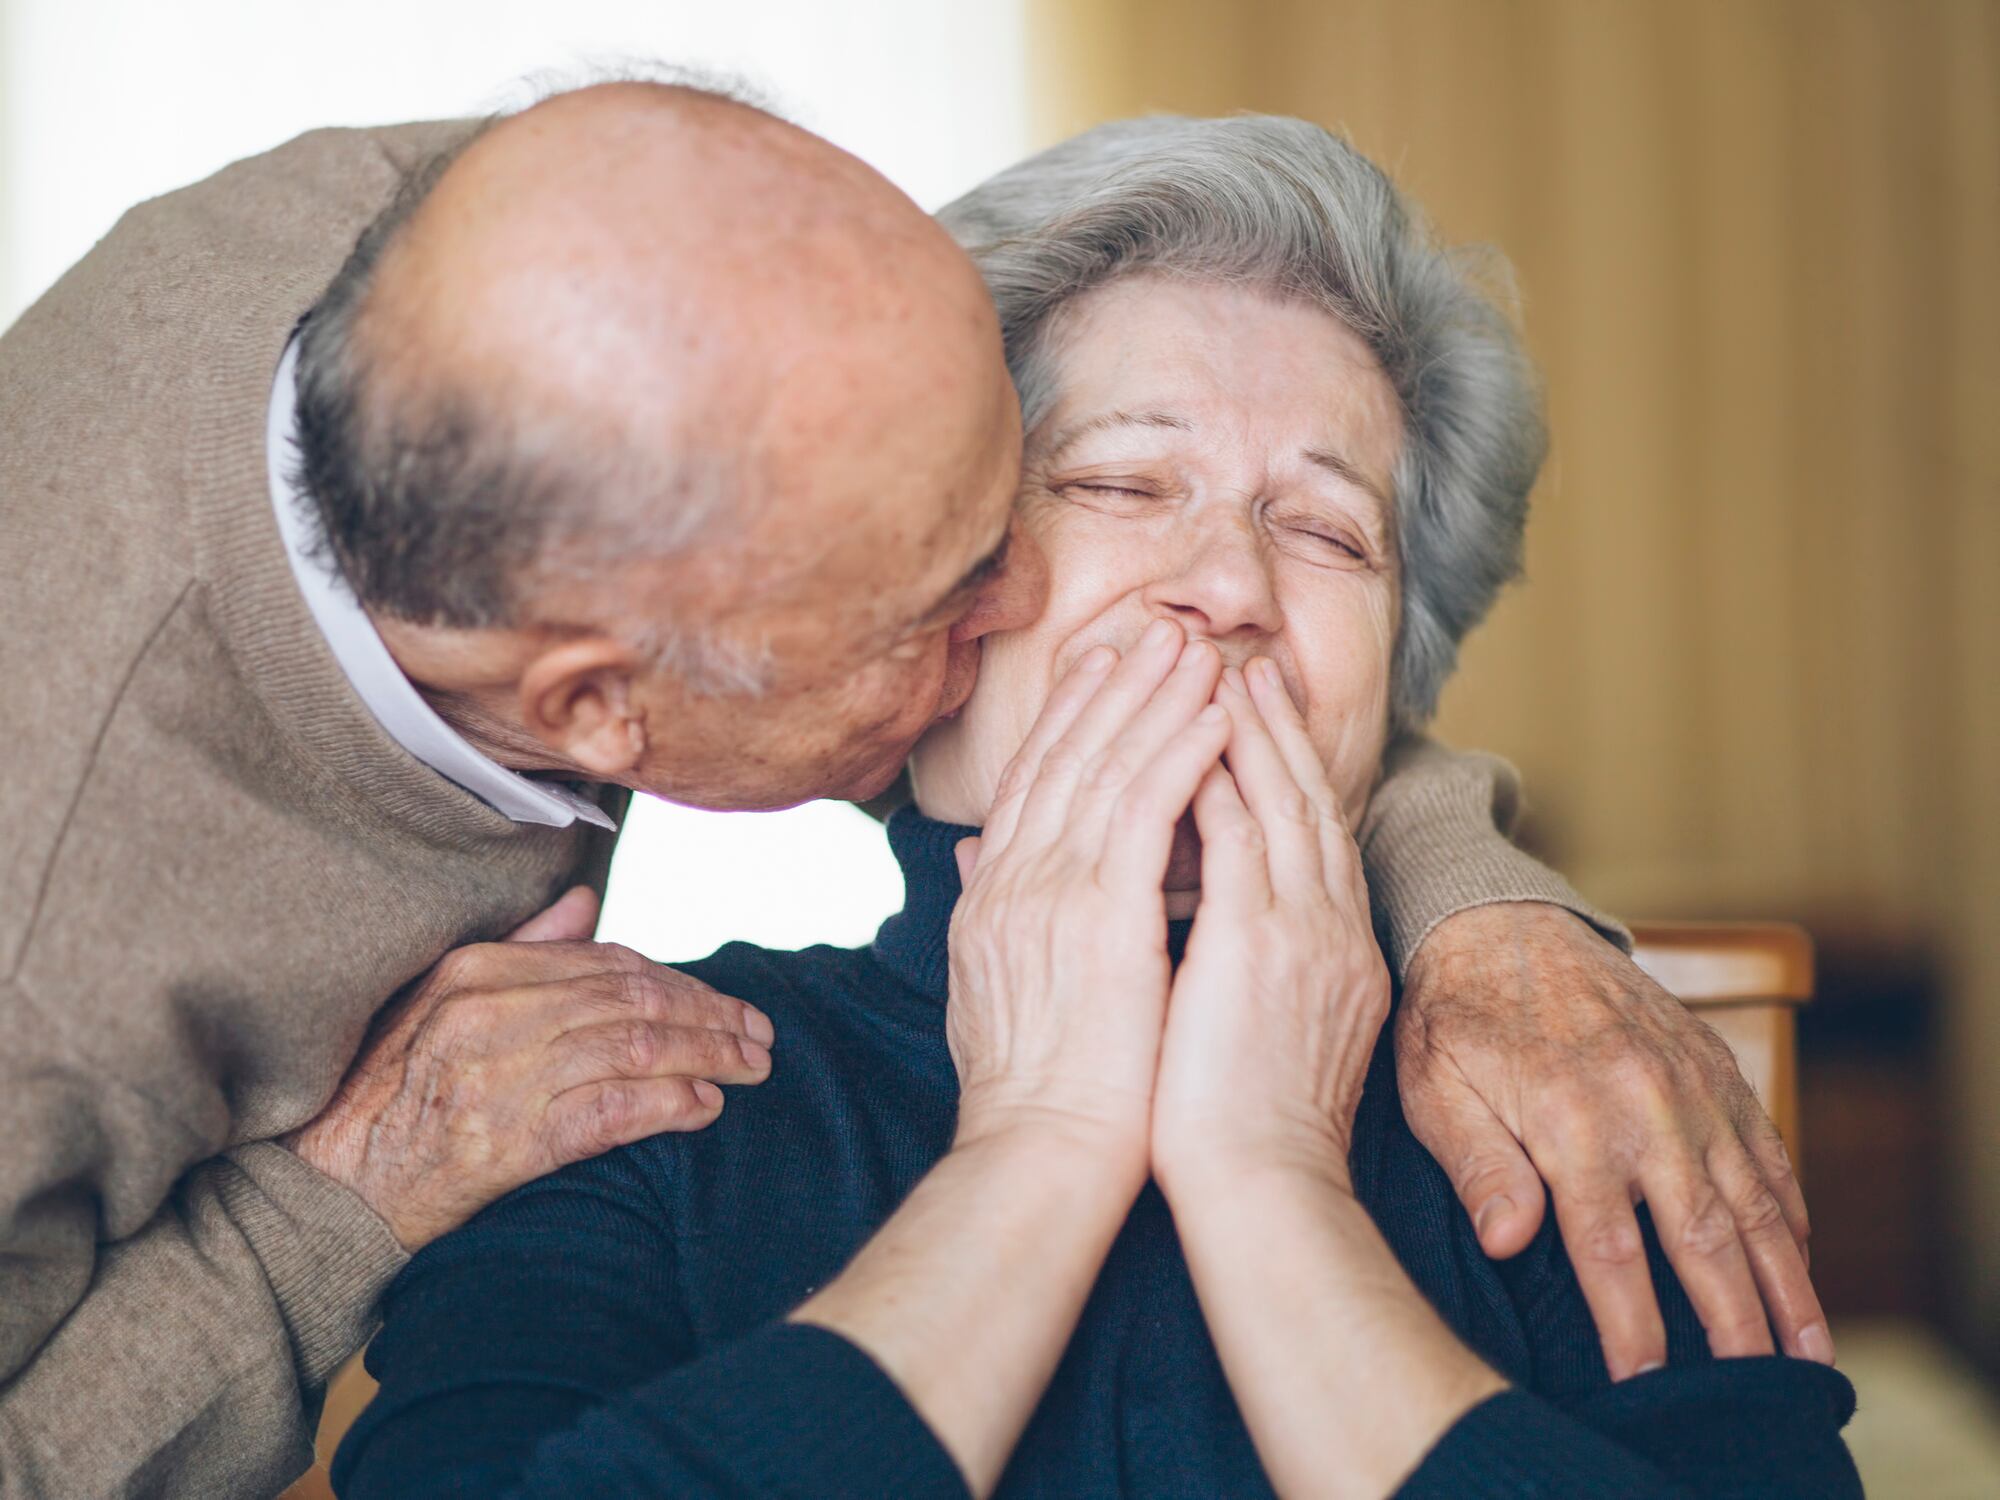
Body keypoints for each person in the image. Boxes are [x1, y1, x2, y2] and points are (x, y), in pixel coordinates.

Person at [0, 79, 1746, 1499]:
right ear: (602, 704)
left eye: (1326, 529)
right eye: (1120, 489)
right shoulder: (609, 1096)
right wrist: (1049, 1141)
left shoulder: (1570, 1104)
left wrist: (1456, 905)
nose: (1222, 591)